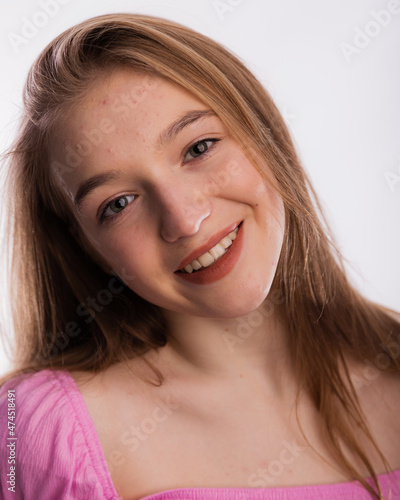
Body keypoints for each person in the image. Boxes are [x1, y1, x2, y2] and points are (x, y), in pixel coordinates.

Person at [0, 12, 399, 500]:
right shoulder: (41, 432)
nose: (184, 221)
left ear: (265, 136)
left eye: (199, 147)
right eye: (118, 204)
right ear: (88, 248)